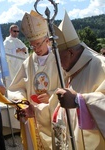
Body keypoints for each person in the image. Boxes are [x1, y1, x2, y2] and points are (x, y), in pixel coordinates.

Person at [7, 10, 61, 150]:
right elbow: (16, 88)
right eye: (32, 45)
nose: (35, 49)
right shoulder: (28, 62)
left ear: (47, 40)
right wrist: (23, 103)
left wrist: (52, 95)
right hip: (34, 118)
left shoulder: (59, 59)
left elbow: (69, 85)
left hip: (55, 117)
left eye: (38, 44)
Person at [52, 11, 105, 150]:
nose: (56, 61)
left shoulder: (101, 65)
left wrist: (78, 100)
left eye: (58, 56)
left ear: (70, 53)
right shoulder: (71, 69)